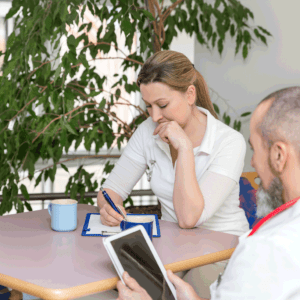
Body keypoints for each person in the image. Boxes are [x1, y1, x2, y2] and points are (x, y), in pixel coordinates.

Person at [114, 86, 300, 300]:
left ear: (279, 155)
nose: (252, 163)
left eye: (255, 150)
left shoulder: (267, 250)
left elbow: (189, 218)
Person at [96, 50, 249, 298]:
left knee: (183, 291)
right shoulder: (149, 131)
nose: (155, 116)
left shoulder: (229, 142)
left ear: (190, 94)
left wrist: (184, 147)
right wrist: (108, 206)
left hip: (221, 250)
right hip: (174, 248)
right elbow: (109, 190)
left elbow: (189, 218)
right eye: (149, 106)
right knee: (120, 287)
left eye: (163, 105)